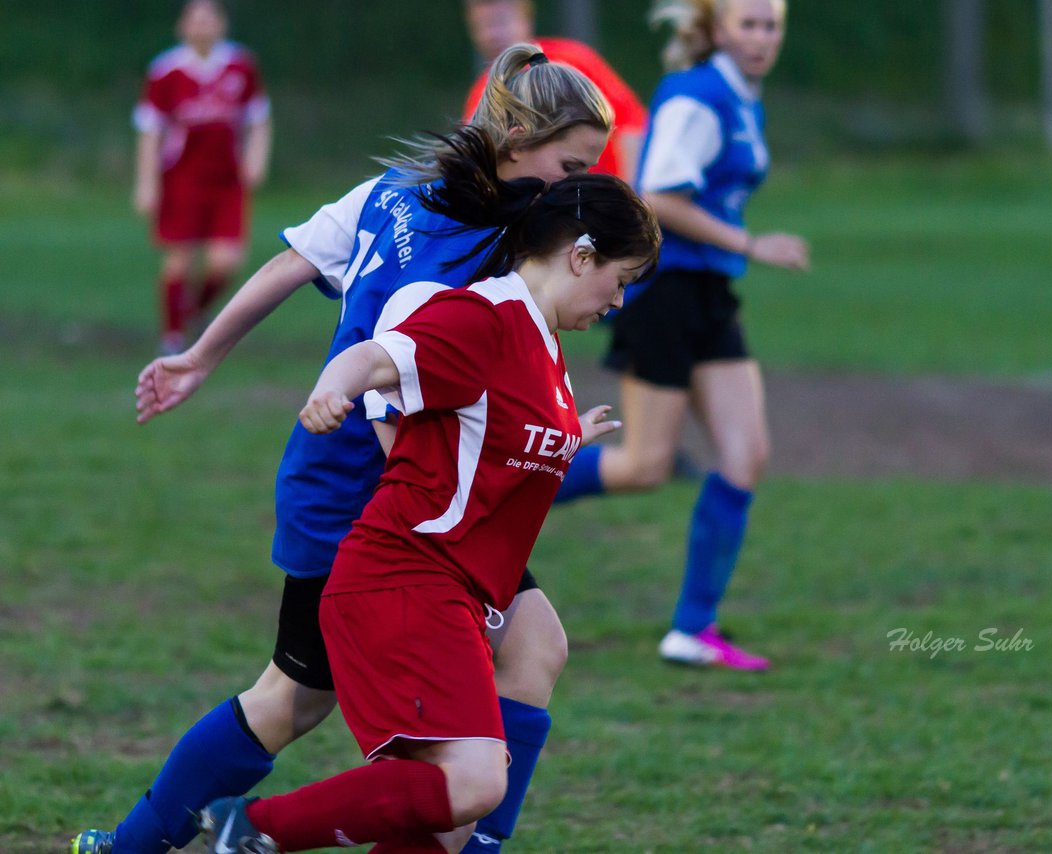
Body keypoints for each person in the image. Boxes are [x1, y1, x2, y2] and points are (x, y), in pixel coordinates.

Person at [70, 45, 613, 854]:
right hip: (370, 496)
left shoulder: (400, 193)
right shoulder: (462, 259)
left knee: (533, 645)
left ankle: (475, 841)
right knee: (293, 700)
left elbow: (293, 263)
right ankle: (137, 845)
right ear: (518, 137)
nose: (575, 187)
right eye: (570, 166)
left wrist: (202, 355)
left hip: (418, 491)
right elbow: (390, 392)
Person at [193, 131, 661, 854]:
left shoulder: (544, 346)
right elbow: (381, 355)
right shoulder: (482, 316)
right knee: (472, 784)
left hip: (445, 594)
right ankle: (249, 827)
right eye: (620, 279)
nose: (621, 301)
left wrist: (570, 437)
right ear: (581, 255)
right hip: (405, 585)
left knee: (448, 817)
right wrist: (335, 385)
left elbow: (493, 439)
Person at [553, 0, 809, 671]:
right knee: (644, 465)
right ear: (718, 27)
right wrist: (753, 243)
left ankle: (693, 628)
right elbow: (658, 197)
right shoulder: (697, 96)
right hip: (664, 289)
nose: (762, 37)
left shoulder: (739, 94)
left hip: (709, 294)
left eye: (772, 25)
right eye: (749, 23)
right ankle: (491, 484)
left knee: (746, 454)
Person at [134, 0, 272, 355]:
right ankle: (173, 337)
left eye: (209, 19)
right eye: (194, 20)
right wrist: (146, 183)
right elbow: (150, 132)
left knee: (226, 261)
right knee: (179, 259)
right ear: (182, 27)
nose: (202, 26)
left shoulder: (241, 65)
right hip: (182, 178)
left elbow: (258, 119)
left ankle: (195, 311)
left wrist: (256, 159)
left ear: (222, 24)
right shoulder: (166, 71)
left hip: (227, 180)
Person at [462, 0, 648, 183]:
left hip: (600, 197)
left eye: (501, 22)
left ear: (526, 18)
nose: (494, 35)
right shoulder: (483, 93)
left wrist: (629, 197)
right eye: (484, 26)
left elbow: (631, 126)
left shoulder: (571, 61)